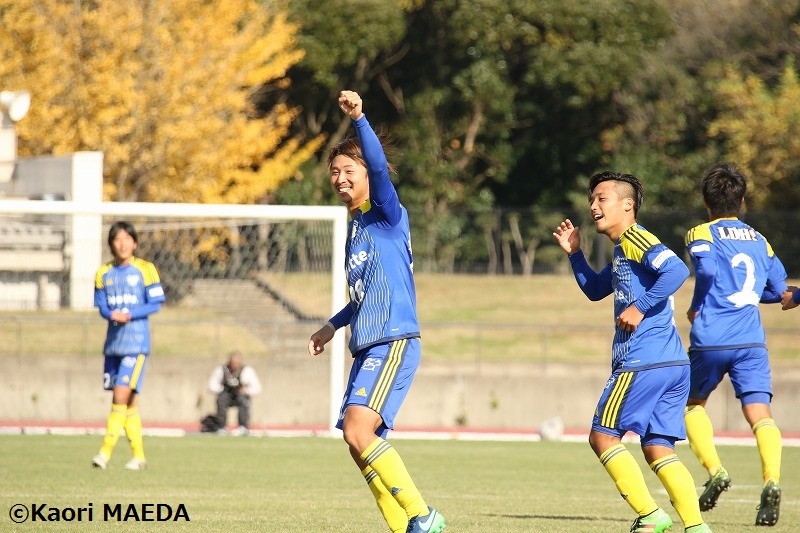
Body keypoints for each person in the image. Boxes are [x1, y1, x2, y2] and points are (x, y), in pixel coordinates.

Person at [307, 90, 446, 533]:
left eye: (349, 170)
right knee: (357, 442)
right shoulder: (355, 230)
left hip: (392, 339)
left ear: (368, 174)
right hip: (367, 344)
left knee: (357, 432)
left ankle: (423, 516)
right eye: (335, 172)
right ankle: (403, 524)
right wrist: (332, 325)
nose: (340, 178)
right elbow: (364, 294)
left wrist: (360, 119)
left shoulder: (385, 213)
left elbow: (381, 168)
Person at [552, 171, 711, 533]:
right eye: (591, 199)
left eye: (601, 198)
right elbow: (595, 289)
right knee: (658, 449)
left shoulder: (637, 239)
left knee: (602, 436)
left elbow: (676, 270)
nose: (593, 206)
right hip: (671, 363)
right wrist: (575, 255)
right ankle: (696, 527)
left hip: (644, 360)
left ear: (628, 205)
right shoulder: (624, 251)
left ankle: (651, 515)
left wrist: (639, 307)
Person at [683, 162, 786, 526]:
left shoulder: (700, 232)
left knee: (691, 406)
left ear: (706, 202)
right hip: (751, 342)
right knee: (761, 416)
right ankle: (771, 479)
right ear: (742, 200)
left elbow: (708, 271)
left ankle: (716, 471)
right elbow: (778, 291)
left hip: (711, 338)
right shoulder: (761, 240)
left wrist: (696, 306)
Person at [91, 221, 166, 470]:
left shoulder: (146, 269)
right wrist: (110, 314)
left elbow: (155, 303)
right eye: (117, 239)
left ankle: (104, 453)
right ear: (111, 243)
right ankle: (139, 457)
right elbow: (101, 305)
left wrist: (129, 314)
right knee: (129, 403)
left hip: (136, 343)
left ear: (134, 242)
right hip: (113, 344)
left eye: (127, 238)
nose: (122, 243)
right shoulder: (103, 273)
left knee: (119, 394)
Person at [207, 350, 262, 435]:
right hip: (226, 395)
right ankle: (221, 427)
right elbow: (211, 385)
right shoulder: (222, 370)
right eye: (233, 363)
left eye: (237, 363)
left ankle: (243, 427)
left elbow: (257, 388)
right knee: (221, 399)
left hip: (240, 396)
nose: (234, 365)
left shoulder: (247, 371)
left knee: (244, 401)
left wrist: (246, 390)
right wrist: (222, 389)